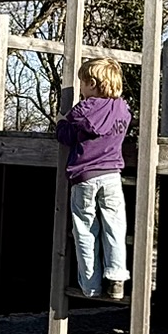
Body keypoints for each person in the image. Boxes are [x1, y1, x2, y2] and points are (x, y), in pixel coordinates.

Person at [56, 56, 131, 300]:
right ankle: (116, 278)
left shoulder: (84, 109)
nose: (80, 88)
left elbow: (68, 136)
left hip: (84, 176)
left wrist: (60, 123)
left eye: (82, 82)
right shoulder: (122, 109)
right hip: (112, 175)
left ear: (92, 83)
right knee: (115, 227)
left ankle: (90, 285)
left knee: (85, 230)